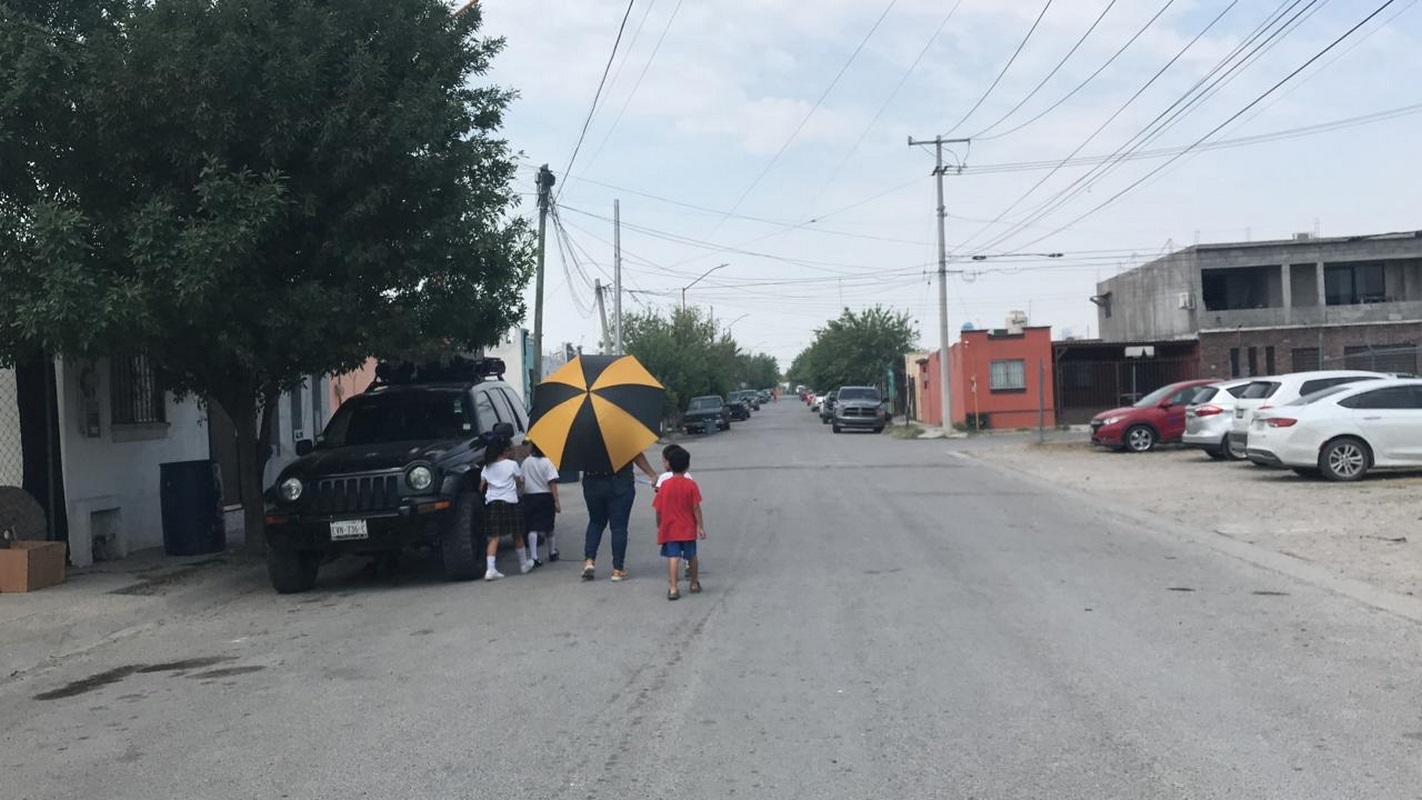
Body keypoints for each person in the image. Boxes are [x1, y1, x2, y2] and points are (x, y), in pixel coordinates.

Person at [581, 451, 659, 582]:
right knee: (619, 527)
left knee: (595, 522)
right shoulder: (622, 432)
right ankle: (617, 569)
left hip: (592, 482)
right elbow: (635, 454)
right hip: (620, 481)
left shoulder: (585, 436)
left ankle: (589, 561)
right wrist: (652, 474)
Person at [651, 445, 705, 601]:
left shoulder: (665, 486)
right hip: (687, 528)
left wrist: (659, 525)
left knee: (673, 557)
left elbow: (658, 509)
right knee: (691, 556)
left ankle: (673, 588)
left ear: (669, 465)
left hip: (670, 528)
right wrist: (700, 527)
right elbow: (696, 508)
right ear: (687, 466)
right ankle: (694, 583)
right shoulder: (691, 484)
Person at [480, 437, 532, 581]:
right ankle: (523, 564)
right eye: (510, 449)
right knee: (517, 534)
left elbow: (482, 486)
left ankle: (490, 569)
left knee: (494, 537)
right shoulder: (512, 465)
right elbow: (519, 481)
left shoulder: (487, 467)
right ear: (504, 451)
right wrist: (518, 483)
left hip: (492, 503)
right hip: (510, 502)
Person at [521, 443, 562, 565]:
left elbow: (521, 479)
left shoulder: (526, 462)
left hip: (529, 496)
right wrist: (556, 501)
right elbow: (552, 483)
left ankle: (534, 556)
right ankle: (552, 551)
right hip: (545, 496)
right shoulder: (548, 463)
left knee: (532, 527)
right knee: (549, 525)